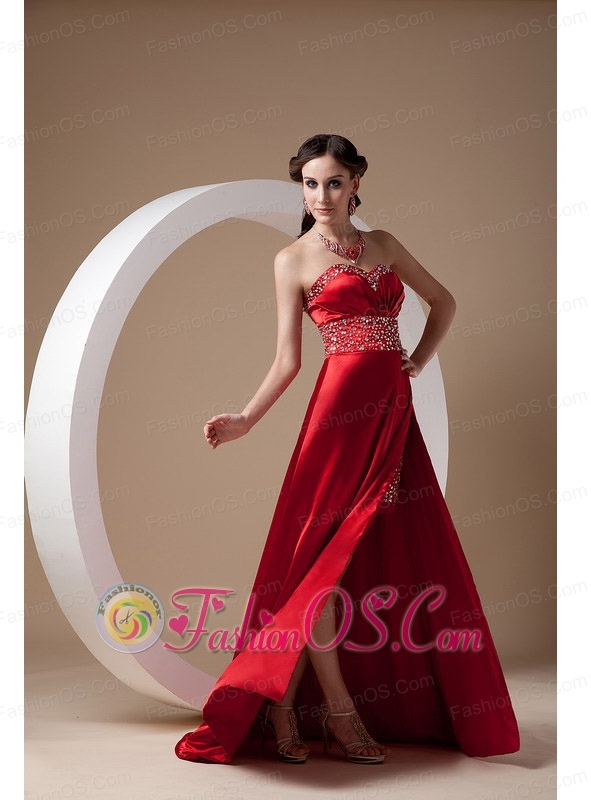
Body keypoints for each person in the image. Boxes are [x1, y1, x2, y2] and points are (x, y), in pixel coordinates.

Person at [175, 134, 520, 765]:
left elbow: (443, 302)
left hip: (391, 413)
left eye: (333, 182)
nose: (322, 196)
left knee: (362, 557)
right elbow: (287, 360)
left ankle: (286, 706)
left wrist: (416, 361)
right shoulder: (292, 259)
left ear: (356, 183)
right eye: (310, 184)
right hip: (335, 419)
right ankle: (335, 713)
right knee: (321, 564)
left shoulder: (383, 244)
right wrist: (247, 419)